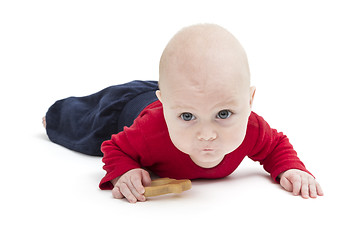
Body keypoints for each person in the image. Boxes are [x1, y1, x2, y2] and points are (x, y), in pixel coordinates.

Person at [44, 24, 323, 203]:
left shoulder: (250, 127)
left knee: (191, 94)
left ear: (249, 101)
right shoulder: (150, 130)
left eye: (223, 114)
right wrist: (124, 171)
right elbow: (114, 147)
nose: (206, 135)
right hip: (131, 105)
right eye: (188, 118)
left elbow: (275, 146)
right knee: (89, 125)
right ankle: (56, 115)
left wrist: (291, 168)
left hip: (180, 94)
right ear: (165, 107)